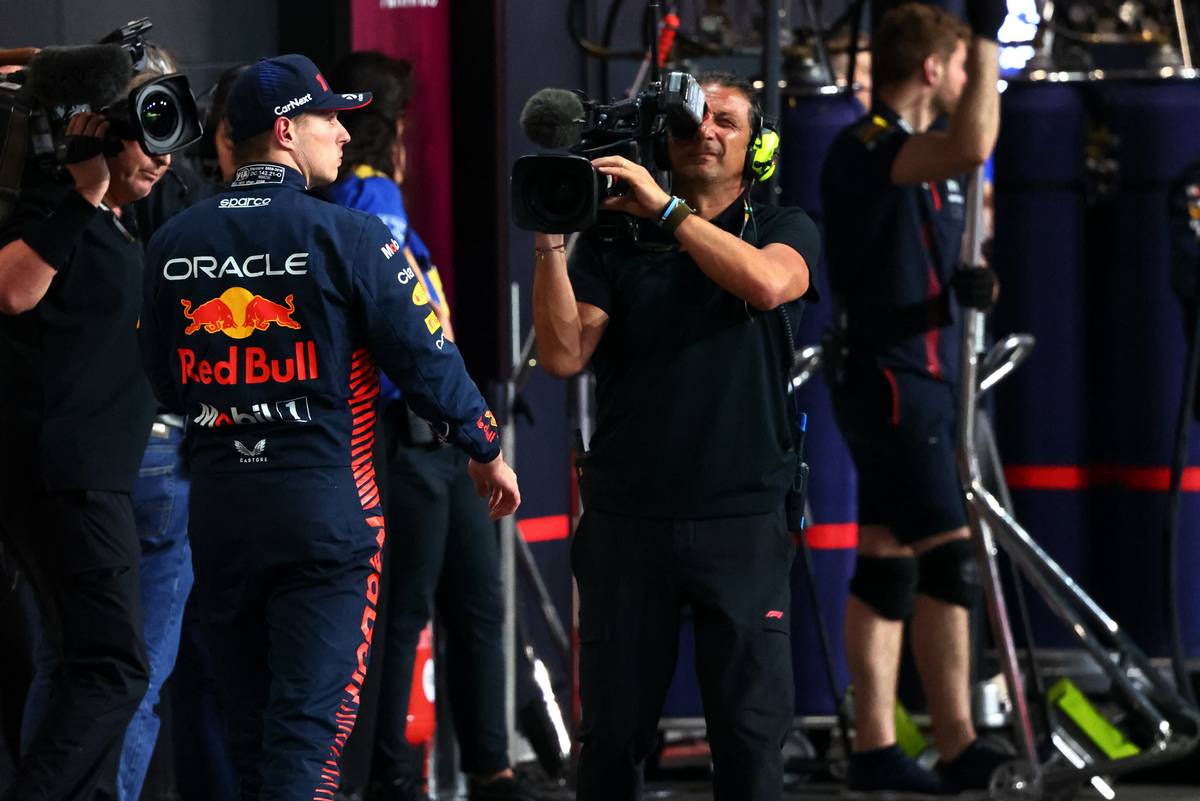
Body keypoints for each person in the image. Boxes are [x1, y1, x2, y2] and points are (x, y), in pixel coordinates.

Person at [138, 53, 520, 801]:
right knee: (306, 743)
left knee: (251, 742)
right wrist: (485, 445)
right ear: (285, 131)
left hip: (218, 512)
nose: (343, 136)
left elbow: (163, 377)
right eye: (328, 119)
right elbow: (428, 359)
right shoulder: (351, 237)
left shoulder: (171, 242)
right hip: (326, 518)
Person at [532, 72, 820, 801]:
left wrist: (667, 212)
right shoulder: (615, 238)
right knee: (610, 740)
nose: (707, 132)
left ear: (757, 146)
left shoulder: (783, 224)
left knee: (750, 739)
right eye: (693, 122)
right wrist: (550, 244)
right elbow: (564, 354)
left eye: (727, 121)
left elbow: (764, 284)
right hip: (629, 520)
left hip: (744, 517)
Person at [325, 51, 534, 801]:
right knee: (401, 611)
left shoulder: (371, 199)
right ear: (394, 127)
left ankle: (494, 769)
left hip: (442, 433)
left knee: (476, 600)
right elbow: (406, 330)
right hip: (404, 431)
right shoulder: (369, 197)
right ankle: (390, 776)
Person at [820, 1, 1007, 794]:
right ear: (933, 69)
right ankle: (959, 741)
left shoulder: (924, 163)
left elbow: (952, 221)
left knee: (890, 555)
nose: (970, 82)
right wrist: (992, 35)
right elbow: (975, 140)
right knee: (949, 554)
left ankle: (872, 747)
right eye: (961, 66)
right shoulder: (869, 147)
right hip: (892, 377)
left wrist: (977, 286)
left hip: (923, 370)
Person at [0, 73, 179, 800]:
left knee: (89, 662)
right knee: (114, 665)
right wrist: (81, 189)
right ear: (100, 132)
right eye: (148, 136)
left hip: (93, 473)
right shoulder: (54, 202)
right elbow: (11, 290)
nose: (164, 158)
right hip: (67, 474)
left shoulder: (116, 219)